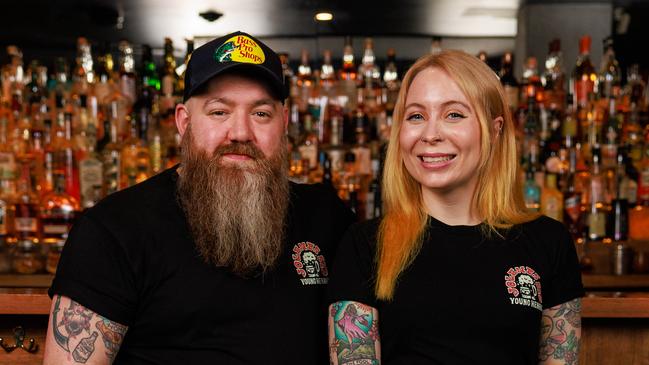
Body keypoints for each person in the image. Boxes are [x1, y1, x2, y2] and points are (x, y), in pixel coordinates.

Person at [43, 31, 355, 365]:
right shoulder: (114, 230)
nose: (240, 133)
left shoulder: (329, 219)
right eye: (219, 112)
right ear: (184, 122)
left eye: (261, 113)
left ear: (284, 121)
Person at [327, 50, 584, 365]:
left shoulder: (548, 242)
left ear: (495, 128)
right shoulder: (364, 245)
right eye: (416, 116)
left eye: (454, 115)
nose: (431, 134)